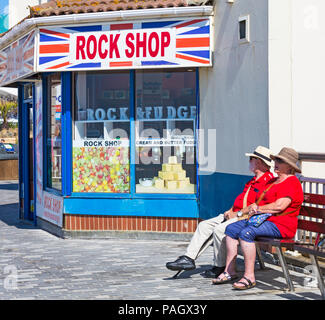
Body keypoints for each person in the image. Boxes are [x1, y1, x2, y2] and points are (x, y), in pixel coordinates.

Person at [166, 146, 274, 278]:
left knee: (219, 230)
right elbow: (242, 200)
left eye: (251, 159)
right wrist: (230, 210)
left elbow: (256, 207)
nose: (249, 162)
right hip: (236, 213)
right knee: (204, 225)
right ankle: (188, 258)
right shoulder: (252, 181)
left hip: (245, 218)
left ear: (259, 162)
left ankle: (220, 266)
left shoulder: (268, 182)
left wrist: (238, 214)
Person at [214, 147, 303, 289]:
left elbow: (280, 206)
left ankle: (249, 277)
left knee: (246, 233)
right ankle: (229, 271)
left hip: (281, 225)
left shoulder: (292, 182)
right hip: (264, 220)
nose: (276, 163)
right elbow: (258, 201)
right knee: (231, 229)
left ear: (290, 166)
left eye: (280, 160)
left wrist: (259, 209)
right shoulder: (273, 181)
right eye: (276, 159)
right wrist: (247, 210)